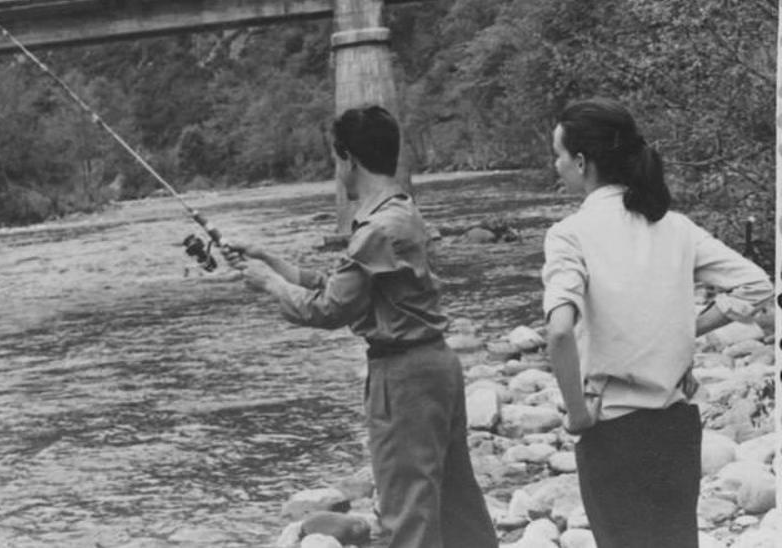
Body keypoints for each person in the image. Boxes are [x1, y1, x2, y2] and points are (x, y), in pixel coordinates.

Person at [228, 105, 498, 548]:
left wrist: (270, 286)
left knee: (405, 511)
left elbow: (330, 309)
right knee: (455, 505)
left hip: (404, 379)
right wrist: (270, 259)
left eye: (337, 160)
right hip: (435, 366)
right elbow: (347, 286)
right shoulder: (400, 211)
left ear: (349, 159)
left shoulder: (377, 229)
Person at [541, 98, 772, 548]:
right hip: (676, 428)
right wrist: (687, 329)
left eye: (559, 155)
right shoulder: (676, 227)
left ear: (583, 162)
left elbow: (559, 331)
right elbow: (756, 284)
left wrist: (576, 414)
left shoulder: (569, 234)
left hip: (612, 431)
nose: (557, 165)